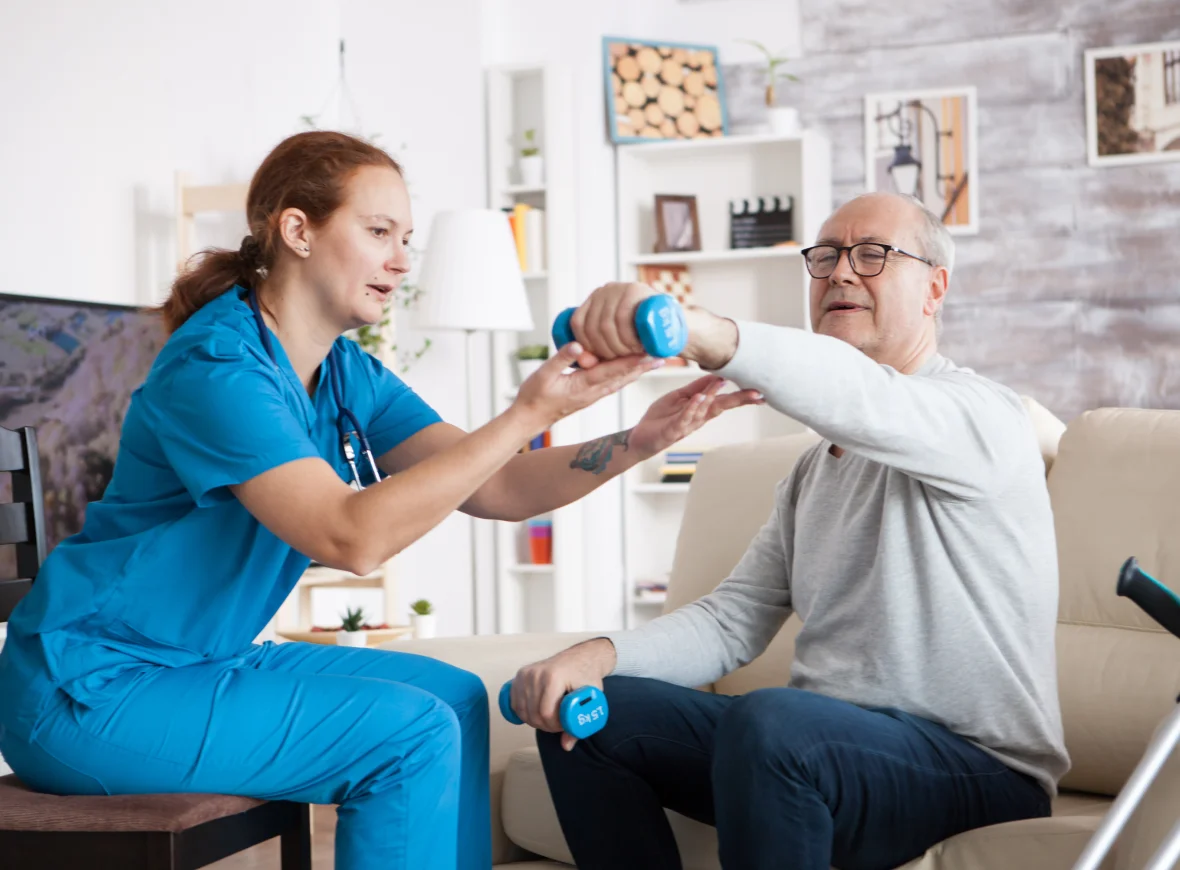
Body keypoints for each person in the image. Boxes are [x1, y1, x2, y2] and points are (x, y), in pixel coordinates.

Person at [0, 131, 761, 870]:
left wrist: (639, 440)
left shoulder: (344, 371)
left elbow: (497, 486)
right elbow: (350, 538)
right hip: (90, 688)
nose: (401, 260)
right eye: (378, 232)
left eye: (406, 239)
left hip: (201, 662)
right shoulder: (217, 368)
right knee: (405, 735)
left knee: (455, 699)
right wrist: (529, 411)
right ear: (297, 231)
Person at [508, 191, 1070, 870]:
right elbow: (732, 620)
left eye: (873, 255)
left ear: (935, 288)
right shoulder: (814, 471)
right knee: (591, 714)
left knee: (772, 721)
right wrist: (595, 656)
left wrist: (696, 330)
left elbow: (862, 398)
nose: (841, 272)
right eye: (826, 256)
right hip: (823, 750)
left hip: (978, 767)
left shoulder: (984, 418)